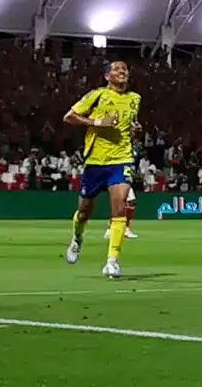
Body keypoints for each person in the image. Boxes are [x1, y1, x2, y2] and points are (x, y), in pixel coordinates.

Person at [62, 60, 142, 278]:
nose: (122, 71)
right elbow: (69, 117)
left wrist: (136, 130)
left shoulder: (135, 99)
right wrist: (98, 123)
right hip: (96, 162)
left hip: (121, 159)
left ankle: (112, 261)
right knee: (84, 212)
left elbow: (130, 127)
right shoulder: (97, 95)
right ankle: (77, 238)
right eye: (116, 69)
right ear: (107, 76)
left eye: (125, 68)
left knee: (119, 208)